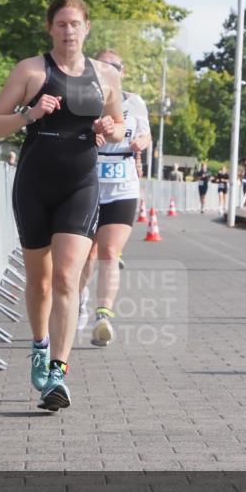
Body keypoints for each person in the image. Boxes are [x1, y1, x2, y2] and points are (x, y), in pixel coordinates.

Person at [0, 0, 125, 411]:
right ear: (50, 28)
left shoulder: (106, 76)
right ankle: (41, 345)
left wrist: (109, 128)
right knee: (41, 281)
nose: (68, 31)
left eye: (75, 24)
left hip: (80, 182)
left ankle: (58, 376)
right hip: (34, 183)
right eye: (61, 24)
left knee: (67, 276)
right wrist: (29, 114)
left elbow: (118, 128)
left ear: (87, 28)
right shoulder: (30, 70)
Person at [76, 49, 151, 346]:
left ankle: (103, 316)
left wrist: (139, 143)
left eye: (114, 66)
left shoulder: (136, 102)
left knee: (109, 252)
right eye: (102, 66)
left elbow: (146, 135)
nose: (109, 70)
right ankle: (79, 304)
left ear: (123, 71)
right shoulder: (83, 100)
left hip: (123, 186)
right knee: (87, 254)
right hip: (88, 184)